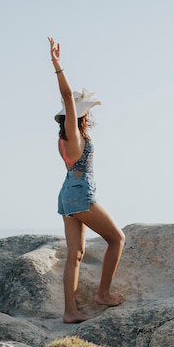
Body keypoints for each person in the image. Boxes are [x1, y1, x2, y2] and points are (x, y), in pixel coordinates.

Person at [48, 37, 126, 323]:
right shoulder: (73, 134)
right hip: (79, 191)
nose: (89, 113)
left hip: (68, 191)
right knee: (117, 239)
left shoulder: (64, 140)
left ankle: (70, 312)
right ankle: (102, 294)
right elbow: (69, 98)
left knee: (75, 254)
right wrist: (57, 65)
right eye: (86, 110)